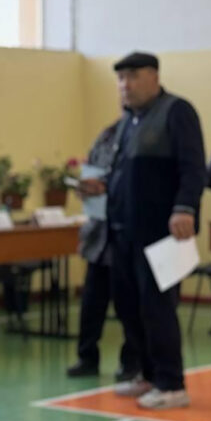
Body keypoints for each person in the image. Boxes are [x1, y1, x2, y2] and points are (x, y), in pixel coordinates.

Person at [100, 52, 205, 410]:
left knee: (157, 308)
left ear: (154, 77)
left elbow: (193, 167)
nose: (125, 85)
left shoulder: (177, 111)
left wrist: (184, 207)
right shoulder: (128, 121)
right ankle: (147, 374)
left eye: (133, 76)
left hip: (160, 233)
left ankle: (172, 384)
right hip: (123, 231)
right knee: (128, 306)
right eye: (120, 78)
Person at [66, 123, 139, 380]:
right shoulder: (106, 135)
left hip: (125, 230)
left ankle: (131, 362)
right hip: (98, 233)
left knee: (127, 305)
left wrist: (107, 187)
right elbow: (92, 169)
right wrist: (85, 188)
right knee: (91, 302)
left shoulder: (140, 134)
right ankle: (87, 357)